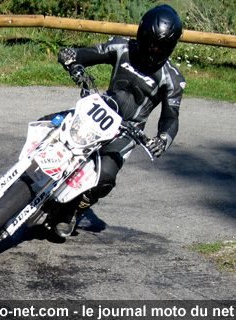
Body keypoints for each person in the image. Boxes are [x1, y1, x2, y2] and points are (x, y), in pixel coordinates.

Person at [47, 4, 186, 238]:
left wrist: (164, 139)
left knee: (104, 179)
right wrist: (71, 56)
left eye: (160, 47)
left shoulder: (173, 79)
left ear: (170, 47)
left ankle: (70, 210)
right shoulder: (121, 47)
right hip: (98, 111)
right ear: (141, 33)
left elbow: (171, 117)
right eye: (150, 42)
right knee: (49, 127)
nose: (153, 50)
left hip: (127, 133)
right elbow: (87, 54)